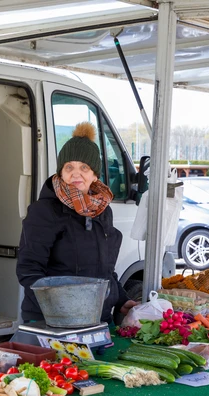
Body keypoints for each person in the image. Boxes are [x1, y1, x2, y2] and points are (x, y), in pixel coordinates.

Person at [16, 121, 138, 324]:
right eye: (69, 167)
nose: (75, 173)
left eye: (84, 167)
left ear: (94, 174)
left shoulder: (103, 210)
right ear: (60, 172)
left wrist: (121, 298)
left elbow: (104, 270)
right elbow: (29, 271)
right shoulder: (44, 211)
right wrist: (63, 308)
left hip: (97, 318)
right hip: (53, 321)